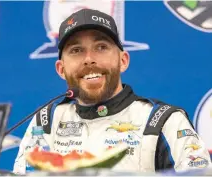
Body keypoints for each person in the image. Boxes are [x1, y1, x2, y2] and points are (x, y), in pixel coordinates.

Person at [13, 9, 211, 174]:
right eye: (76, 50)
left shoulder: (163, 120)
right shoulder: (45, 121)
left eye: (101, 47)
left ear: (123, 61)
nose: (89, 59)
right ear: (61, 69)